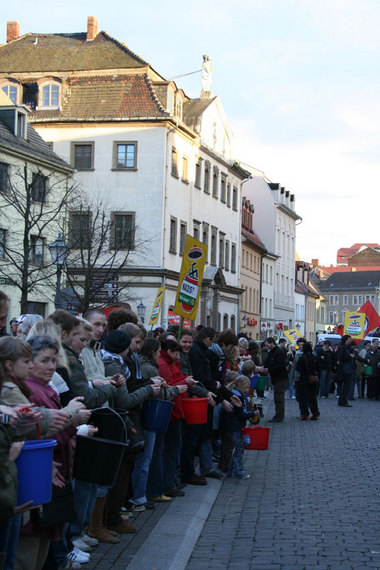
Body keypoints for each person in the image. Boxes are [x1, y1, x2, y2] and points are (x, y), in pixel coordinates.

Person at [219, 375, 256, 479]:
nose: (247, 390)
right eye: (246, 388)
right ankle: (238, 471)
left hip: (229, 426)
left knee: (235, 449)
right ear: (239, 386)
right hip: (234, 427)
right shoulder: (238, 397)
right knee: (239, 449)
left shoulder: (232, 394)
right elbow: (240, 415)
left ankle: (231, 471)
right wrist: (252, 414)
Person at [265, 337, 289, 422]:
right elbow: (267, 363)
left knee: (279, 397)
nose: (267, 346)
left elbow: (280, 366)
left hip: (280, 378)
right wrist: (263, 368)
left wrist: (268, 369)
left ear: (272, 343)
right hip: (276, 378)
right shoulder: (271, 352)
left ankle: (279, 416)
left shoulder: (279, 352)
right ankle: (278, 415)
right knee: (277, 397)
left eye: (267, 345)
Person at [295, 342, 320, 420]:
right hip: (313, 379)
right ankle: (315, 413)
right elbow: (319, 368)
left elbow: (298, 368)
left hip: (303, 379)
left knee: (303, 398)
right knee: (313, 397)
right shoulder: (314, 357)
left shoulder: (302, 358)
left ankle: (305, 414)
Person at [336, 335, 355, 407]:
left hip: (347, 369)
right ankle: (343, 401)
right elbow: (341, 358)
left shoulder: (347, 348)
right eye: (349, 339)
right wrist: (350, 356)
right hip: (345, 369)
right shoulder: (342, 348)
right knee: (345, 386)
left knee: (345, 386)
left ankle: (342, 401)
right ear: (345, 340)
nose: (351, 340)